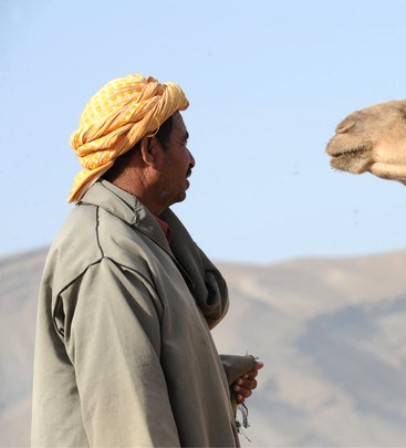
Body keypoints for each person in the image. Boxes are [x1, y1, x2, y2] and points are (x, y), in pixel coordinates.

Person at [31, 74, 263, 447]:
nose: (191, 160)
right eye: (184, 143)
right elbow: (130, 426)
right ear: (149, 151)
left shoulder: (145, 242)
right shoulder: (107, 258)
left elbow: (136, 378)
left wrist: (210, 383)